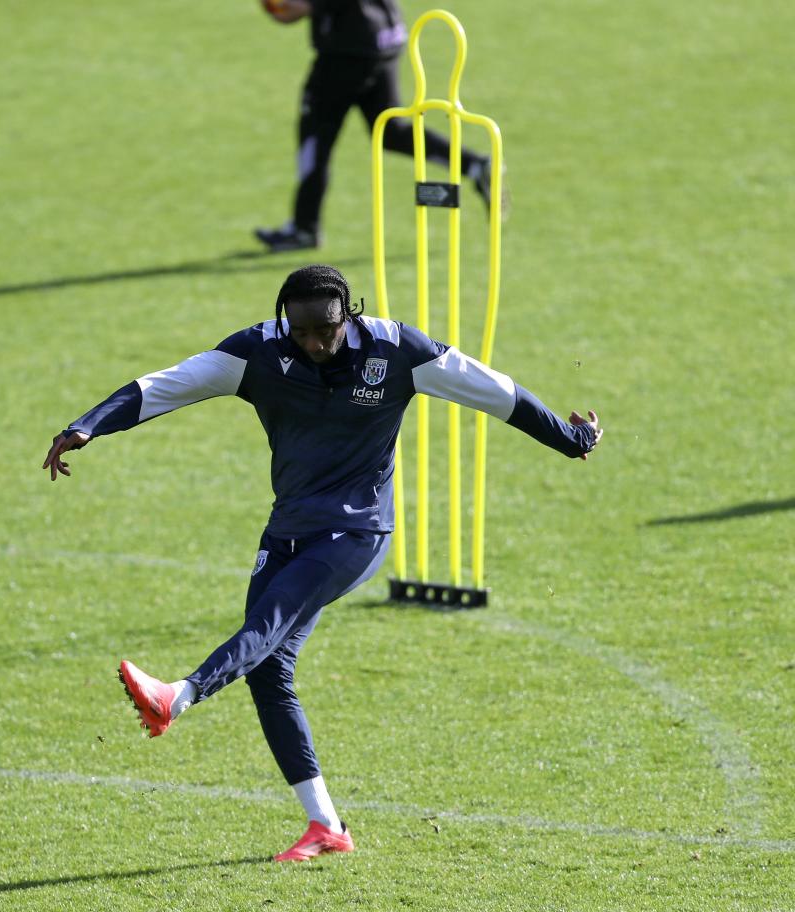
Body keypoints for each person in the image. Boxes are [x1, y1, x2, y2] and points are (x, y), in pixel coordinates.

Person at [42, 264, 600, 861]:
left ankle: (175, 697)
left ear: (348, 313)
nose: (313, 344)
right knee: (267, 670)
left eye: (326, 331)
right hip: (287, 527)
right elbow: (166, 386)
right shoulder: (258, 350)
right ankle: (326, 827)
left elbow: (496, 392)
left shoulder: (399, 350)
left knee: (266, 626)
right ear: (285, 319)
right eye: (301, 332)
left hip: (357, 531)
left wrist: (571, 440)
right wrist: (86, 427)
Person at [254, 0, 500, 253]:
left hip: (346, 51)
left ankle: (304, 228)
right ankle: (475, 165)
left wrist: (274, 6)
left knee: (315, 135)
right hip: (385, 37)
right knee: (392, 131)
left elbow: (294, 8)